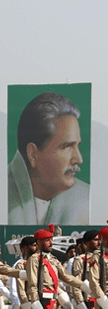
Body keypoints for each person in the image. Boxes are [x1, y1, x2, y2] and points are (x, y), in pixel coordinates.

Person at [8, 92, 90, 225]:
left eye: (77, 146)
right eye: (67, 146)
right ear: (33, 154)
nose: (78, 159)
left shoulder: (85, 200)